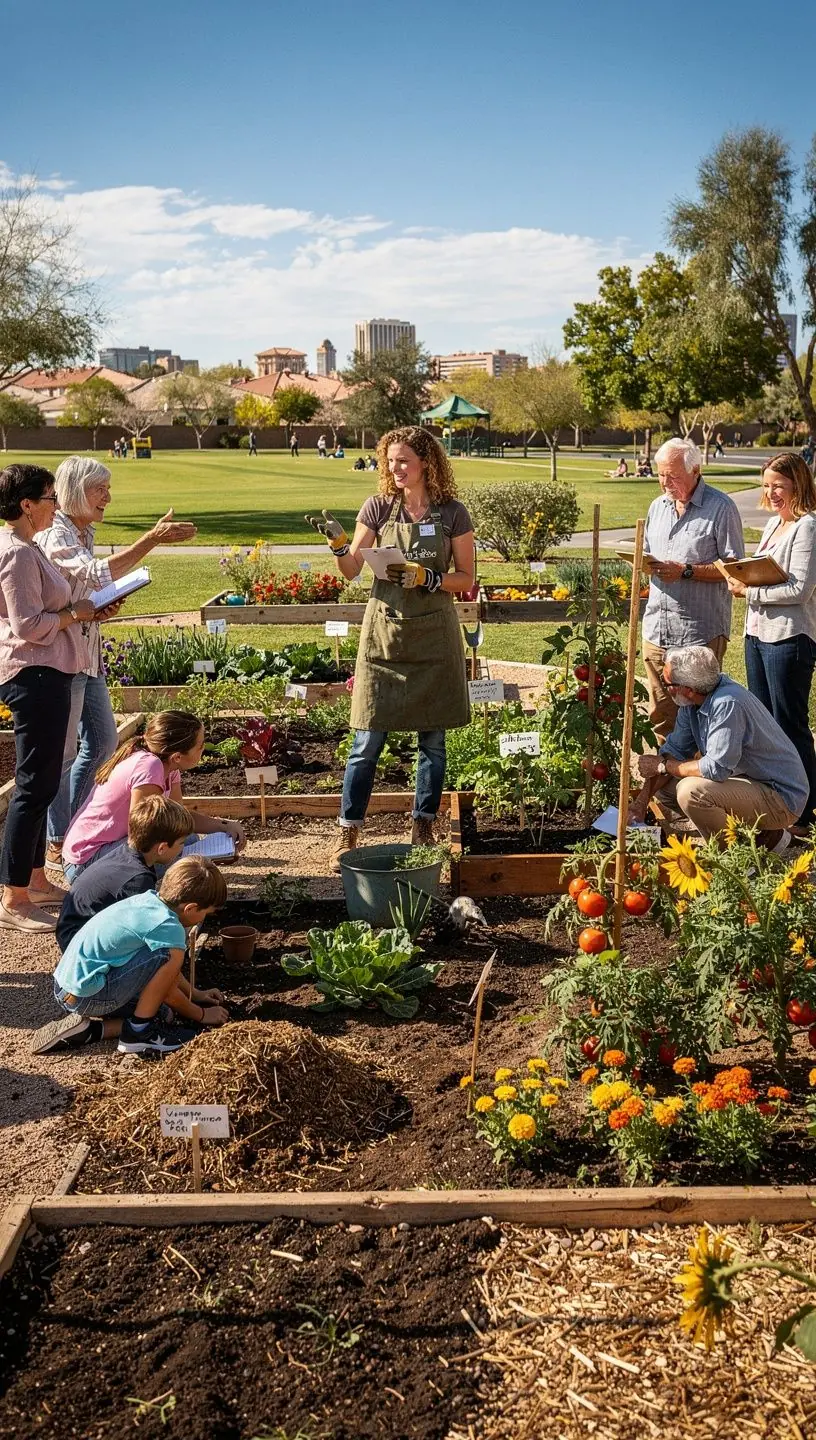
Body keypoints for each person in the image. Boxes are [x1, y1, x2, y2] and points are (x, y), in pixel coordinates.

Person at [306, 425, 474, 870]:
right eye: (390, 461)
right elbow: (350, 570)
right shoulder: (378, 508)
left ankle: (422, 824)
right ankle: (349, 829)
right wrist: (340, 544)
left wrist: (429, 578)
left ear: (426, 464)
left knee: (433, 743)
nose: (395, 469)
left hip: (435, 637)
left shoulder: (452, 512)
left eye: (403, 461)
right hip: (384, 634)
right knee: (367, 740)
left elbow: (466, 578)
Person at [37, 455, 198, 870]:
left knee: (104, 744)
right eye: (99, 489)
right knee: (66, 754)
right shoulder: (56, 534)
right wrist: (152, 539)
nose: (108, 496)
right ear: (74, 491)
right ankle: (60, 839)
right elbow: (92, 573)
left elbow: (90, 587)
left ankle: (76, 829)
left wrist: (101, 606)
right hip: (63, 659)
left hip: (88, 658)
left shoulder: (83, 531)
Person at [0, 465, 98, 933]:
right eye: (48, 497)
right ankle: (14, 897)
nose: (55, 506)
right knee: (34, 784)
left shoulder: (27, 548)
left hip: (47, 673)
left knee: (39, 783)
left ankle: (35, 878)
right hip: (33, 676)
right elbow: (29, 625)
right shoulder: (16, 553)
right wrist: (72, 614)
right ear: (26, 504)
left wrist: (75, 613)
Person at [32, 856, 229, 1057]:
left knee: (163, 1013)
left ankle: (89, 1031)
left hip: (68, 986)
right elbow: (168, 985)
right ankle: (138, 1034)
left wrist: (195, 994)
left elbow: (164, 977)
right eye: (207, 912)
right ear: (191, 908)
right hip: (86, 995)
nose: (205, 917)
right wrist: (202, 1014)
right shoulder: (169, 927)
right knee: (165, 960)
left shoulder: (148, 900)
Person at [722, 453, 816, 834]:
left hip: (789, 639)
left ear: (798, 484)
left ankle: (805, 811)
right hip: (758, 635)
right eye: (766, 485)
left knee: (790, 724)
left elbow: (799, 588)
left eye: (778, 485)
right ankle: (777, 803)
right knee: (766, 726)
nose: (771, 493)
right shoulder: (775, 524)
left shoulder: (808, 527)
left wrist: (748, 590)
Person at [631, 645, 807, 847]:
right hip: (751, 782)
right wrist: (641, 802)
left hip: (781, 798)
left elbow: (716, 769)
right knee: (665, 788)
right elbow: (672, 752)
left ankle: (734, 857)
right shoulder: (693, 702)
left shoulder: (727, 703)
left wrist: (664, 766)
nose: (664, 686)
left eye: (667, 682)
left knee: (690, 792)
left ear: (687, 689)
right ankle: (762, 836)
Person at [61, 709, 246, 883]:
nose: (203, 748)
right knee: (185, 860)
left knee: (188, 839)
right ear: (177, 756)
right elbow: (143, 834)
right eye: (199, 746)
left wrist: (224, 826)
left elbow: (179, 817)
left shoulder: (168, 765)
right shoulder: (149, 767)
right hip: (84, 863)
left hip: (108, 848)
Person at [642, 437, 744, 744]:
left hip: (698, 634)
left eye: (672, 475)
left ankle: (699, 787)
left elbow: (734, 568)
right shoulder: (657, 507)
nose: (664, 482)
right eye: (660, 475)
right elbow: (647, 553)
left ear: (695, 470)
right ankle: (665, 788)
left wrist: (687, 571)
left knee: (702, 720)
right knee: (661, 716)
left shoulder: (721, 507)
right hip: (657, 631)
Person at [55, 795, 194, 953]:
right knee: (164, 953)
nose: (182, 848)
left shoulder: (126, 854)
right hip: (78, 947)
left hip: (73, 931)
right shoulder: (137, 879)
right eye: (181, 843)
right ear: (161, 848)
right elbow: (145, 929)